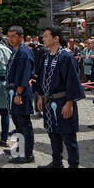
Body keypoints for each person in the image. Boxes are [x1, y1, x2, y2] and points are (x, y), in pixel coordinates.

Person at [37, 27, 86, 168]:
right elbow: (41, 78)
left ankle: (73, 165)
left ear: (56, 38)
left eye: (46, 36)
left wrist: (70, 103)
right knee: (53, 134)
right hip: (48, 101)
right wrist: (41, 96)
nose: (43, 39)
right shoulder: (45, 57)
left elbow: (72, 80)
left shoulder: (65, 56)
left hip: (63, 101)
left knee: (68, 136)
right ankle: (57, 162)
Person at [5, 26, 35, 164]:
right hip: (14, 91)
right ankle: (18, 149)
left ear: (21, 37)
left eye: (14, 36)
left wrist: (18, 93)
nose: (11, 39)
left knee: (24, 124)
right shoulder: (15, 50)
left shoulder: (23, 52)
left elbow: (25, 74)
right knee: (17, 123)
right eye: (9, 36)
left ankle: (27, 154)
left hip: (21, 92)